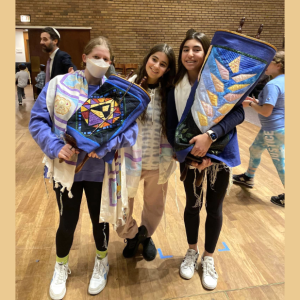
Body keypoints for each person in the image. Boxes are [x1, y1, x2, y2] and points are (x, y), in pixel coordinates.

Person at [29, 36, 138, 300]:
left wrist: (105, 145)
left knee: (98, 220)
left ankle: (102, 261)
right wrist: (56, 147)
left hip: (100, 172)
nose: (101, 62)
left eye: (106, 59)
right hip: (66, 171)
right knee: (67, 222)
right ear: (84, 58)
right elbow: (37, 121)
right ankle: (61, 265)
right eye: (96, 56)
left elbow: (131, 132)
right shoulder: (59, 85)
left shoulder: (117, 93)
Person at [166, 31, 245, 290]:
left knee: (214, 207)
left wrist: (210, 139)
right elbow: (171, 127)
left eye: (197, 49)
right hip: (188, 158)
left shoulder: (220, 81)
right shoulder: (174, 87)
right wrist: (189, 156)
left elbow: (237, 114)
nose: (190, 54)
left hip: (218, 157)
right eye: (186, 49)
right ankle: (192, 251)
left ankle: (208, 258)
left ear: (207, 53)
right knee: (192, 205)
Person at [116, 44, 177, 261]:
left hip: (158, 162)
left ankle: (146, 235)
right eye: (154, 60)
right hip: (129, 159)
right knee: (121, 209)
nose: (157, 66)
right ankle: (133, 235)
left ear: (168, 69)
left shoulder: (170, 93)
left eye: (163, 64)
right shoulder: (128, 86)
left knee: (155, 207)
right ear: (146, 59)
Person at [233, 51, 285, 207]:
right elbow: (274, 105)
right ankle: (248, 177)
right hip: (277, 127)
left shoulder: (273, 84)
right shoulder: (285, 81)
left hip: (273, 129)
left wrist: (249, 104)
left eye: (269, 62)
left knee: (280, 163)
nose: (265, 65)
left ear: (278, 65)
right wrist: (256, 101)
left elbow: (266, 111)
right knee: (255, 149)